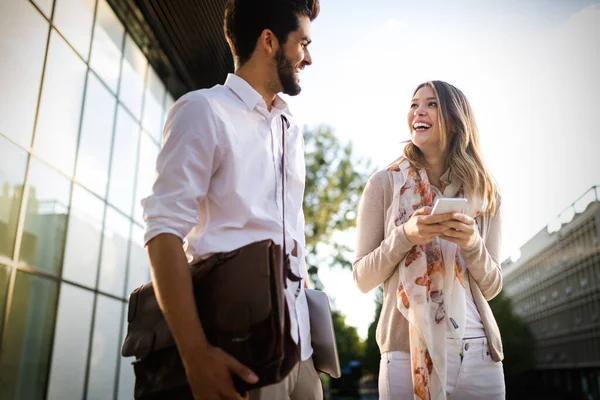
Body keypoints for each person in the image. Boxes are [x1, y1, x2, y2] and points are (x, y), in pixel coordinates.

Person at [140, 1, 322, 399]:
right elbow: (163, 230)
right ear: (269, 41)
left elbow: (291, 233)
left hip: (301, 353)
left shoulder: (290, 127)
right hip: (242, 348)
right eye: (303, 44)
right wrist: (195, 354)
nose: (308, 57)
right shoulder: (202, 110)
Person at [353, 80, 505, 400]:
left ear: (455, 118)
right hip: (407, 355)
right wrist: (406, 235)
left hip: (479, 355)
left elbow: (492, 286)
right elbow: (362, 278)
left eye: (432, 103)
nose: (419, 110)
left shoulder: (485, 193)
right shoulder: (383, 184)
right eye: (414, 104)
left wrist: (472, 244)